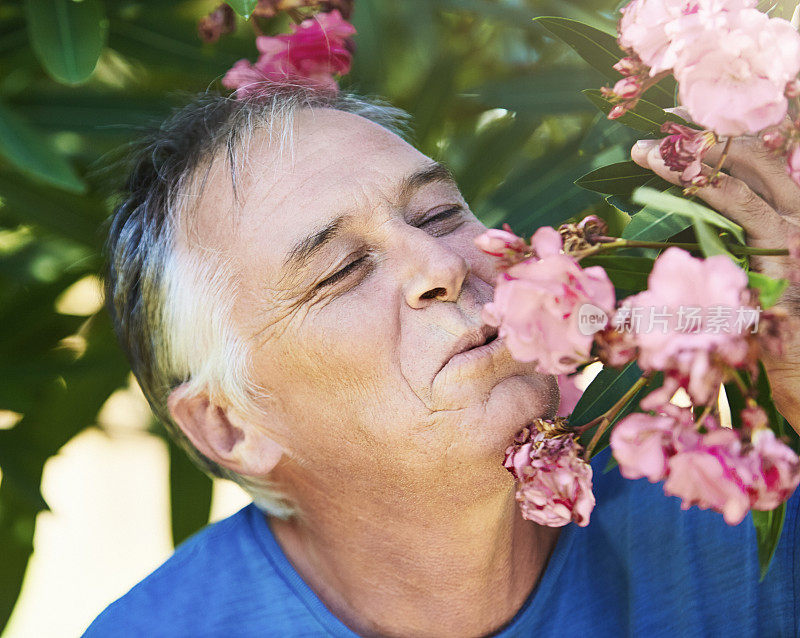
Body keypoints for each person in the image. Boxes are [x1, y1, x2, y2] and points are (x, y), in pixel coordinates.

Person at [84, 85, 800, 637]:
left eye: (438, 215)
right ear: (230, 425)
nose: (440, 265)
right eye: (340, 271)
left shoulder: (735, 498)